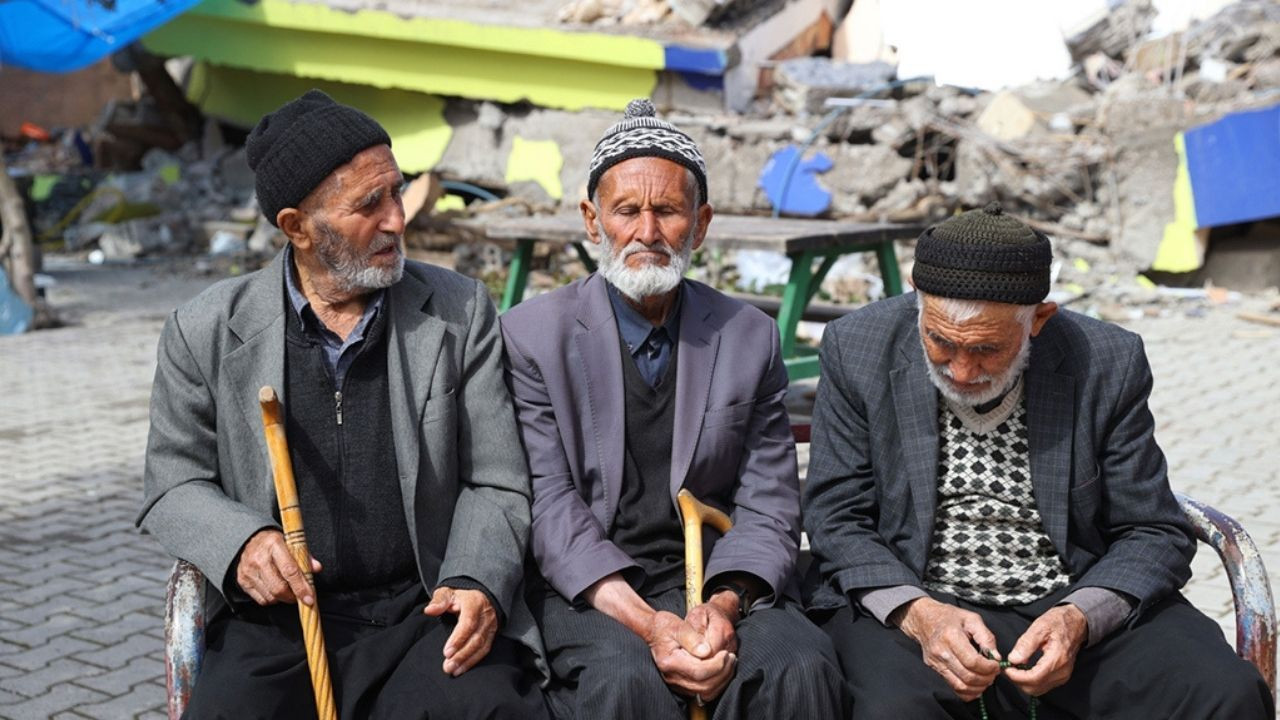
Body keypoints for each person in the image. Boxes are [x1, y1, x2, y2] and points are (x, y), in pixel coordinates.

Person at [138, 90, 548, 720]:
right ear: (297, 227)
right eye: (369, 204)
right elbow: (173, 483)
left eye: (397, 191)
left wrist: (474, 577)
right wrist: (242, 541)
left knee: (492, 709)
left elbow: (497, 479)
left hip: (425, 607)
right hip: (281, 623)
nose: (398, 219)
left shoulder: (461, 311)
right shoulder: (206, 330)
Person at [803, 202, 1274, 718]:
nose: (960, 370)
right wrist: (921, 615)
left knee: (1224, 693)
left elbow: (1152, 529)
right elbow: (837, 515)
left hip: (1067, 596)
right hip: (920, 602)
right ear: (916, 297)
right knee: (893, 710)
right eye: (939, 341)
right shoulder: (857, 348)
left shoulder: (1107, 361)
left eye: (987, 349)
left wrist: (1080, 617)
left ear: (1038, 321)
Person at [500, 98, 846, 720]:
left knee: (798, 664)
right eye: (627, 211)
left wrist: (721, 608)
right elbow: (549, 508)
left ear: (702, 222)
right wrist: (651, 623)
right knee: (626, 683)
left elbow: (769, 501)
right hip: (596, 591)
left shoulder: (748, 335)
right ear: (591, 219)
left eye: (668, 210)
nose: (647, 233)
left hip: (717, 578)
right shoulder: (531, 337)